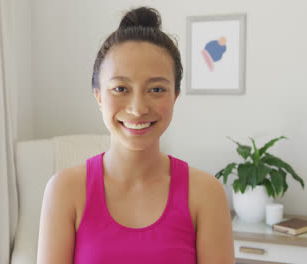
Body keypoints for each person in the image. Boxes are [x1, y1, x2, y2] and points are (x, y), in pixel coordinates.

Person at [37, 6, 234, 264]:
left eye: (156, 89)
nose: (138, 108)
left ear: (175, 96)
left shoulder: (206, 194)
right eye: (120, 88)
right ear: (98, 96)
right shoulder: (65, 191)